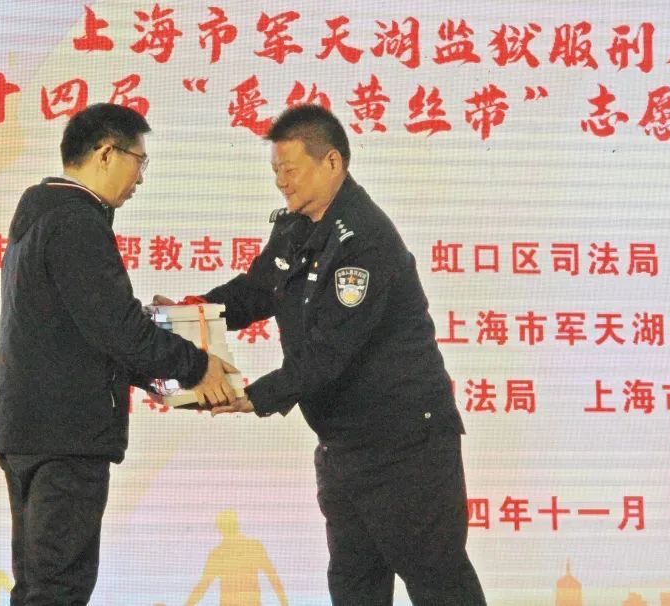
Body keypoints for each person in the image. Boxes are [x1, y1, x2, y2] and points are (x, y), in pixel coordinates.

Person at [160, 105, 486, 605]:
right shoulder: (297, 225)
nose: (280, 181)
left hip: (405, 447)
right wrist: (194, 312)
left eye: (290, 169)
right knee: (354, 586)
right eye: (275, 170)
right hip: (343, 448)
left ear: (332, 162)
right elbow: (257, 290)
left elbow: (329, 353)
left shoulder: (364, 240)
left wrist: (253, 396)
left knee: (438, 583)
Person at [0, 102, 238, 605]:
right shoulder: (76, 221)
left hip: (29, 433)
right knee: (58, 590)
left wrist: (159, 345)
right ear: (106, 153)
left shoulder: (40, 215)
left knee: (37, 587)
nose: (140, 178)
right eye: (138, 161)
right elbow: (117, 329)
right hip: (67, 437)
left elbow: (88, 329)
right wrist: (198, 366)